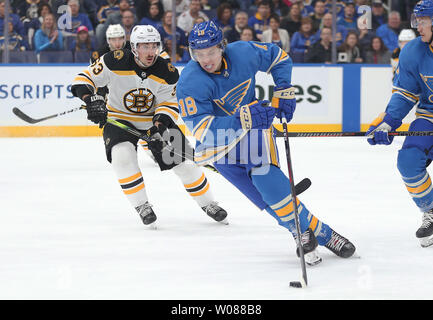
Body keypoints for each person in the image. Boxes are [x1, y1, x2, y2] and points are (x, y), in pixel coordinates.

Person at [177, 21, 356, 264]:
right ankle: (310, 230)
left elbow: (279, 57)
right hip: (218, 146)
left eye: (211, 52)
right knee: (266, 199)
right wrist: (238, 120)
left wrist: (283, 88)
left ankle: (319, 234)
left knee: (266, 180)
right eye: (198, 54)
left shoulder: (243, 52)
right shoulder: (189, 81)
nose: (206, 59)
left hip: (254, 129)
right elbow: (201, 129)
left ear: (222, 47)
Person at [71, 25, 228, 228]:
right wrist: (90, 99)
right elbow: (85, 78)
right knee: (122, 157)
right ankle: (142, 205)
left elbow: (169, 105)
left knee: (186, 164)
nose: (150, 51)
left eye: (154, 45)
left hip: (153, 122)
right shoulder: (114, 60)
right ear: (134, 47)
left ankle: (208, 204)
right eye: (145, 46)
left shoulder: (168, 72)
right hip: (119, 119)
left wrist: (158, 128)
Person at [366, 0, 433, 248]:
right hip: (429, 118)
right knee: (408, 161)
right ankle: (431, 211)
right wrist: (389, 121)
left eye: (423, 21)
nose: (418, 27)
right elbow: (405, 93)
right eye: (417, 22)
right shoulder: (413, 51)